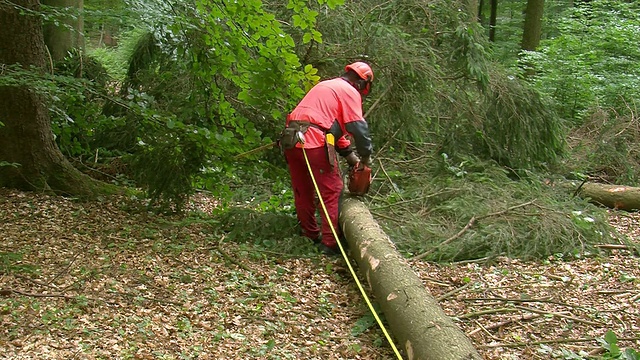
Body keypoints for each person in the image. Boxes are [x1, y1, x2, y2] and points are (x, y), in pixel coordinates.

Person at [281, 61, 374, 255]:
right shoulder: (349, 91)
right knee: (332, 190)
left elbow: (331, 129)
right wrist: (365, 157)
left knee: (303, 189)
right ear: (363, 82)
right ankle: (330, 243)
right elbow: (357, 126)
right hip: (314, 141)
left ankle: (310, 234)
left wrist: (351, 157)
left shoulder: (327, 86)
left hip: (291, 139)